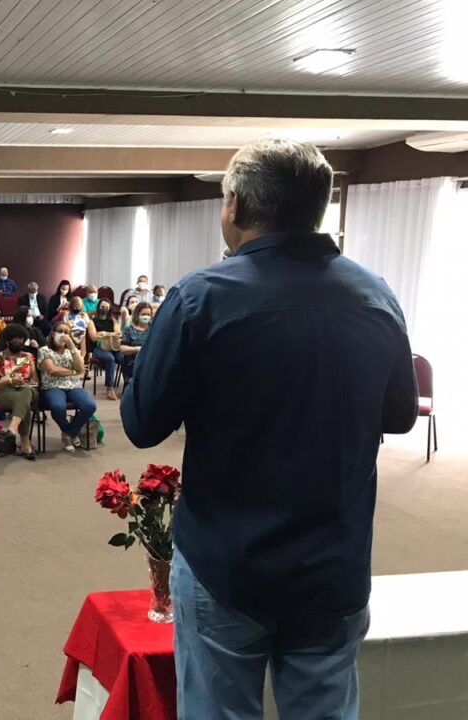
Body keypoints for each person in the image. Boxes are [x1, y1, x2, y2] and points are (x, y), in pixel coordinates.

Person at [121, 139, 419, 719]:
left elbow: (141, 424)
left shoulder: (199, 298)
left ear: (234, 204)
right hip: (334, 564)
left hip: (227, 564)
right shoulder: (375, 294)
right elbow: (400, 416)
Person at [38, 322, 95, 452]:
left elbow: (81, 367)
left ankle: (69, 434)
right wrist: (73, 372)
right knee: (58, 407)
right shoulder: (44, 350)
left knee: (89, 405)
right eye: (60, 331)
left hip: (73, 385)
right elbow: (52, 370)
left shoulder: (72, 351)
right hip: (52, 386)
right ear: (53, 334)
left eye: (66, 332)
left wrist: (72, 346)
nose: (63, 335)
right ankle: (69, 432)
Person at [0, 324, 38, 460]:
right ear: (7, 340)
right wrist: (10, 380)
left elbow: (35, 380)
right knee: (24, 404)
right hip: (5, 391)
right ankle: (25, 444)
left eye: (21, 338)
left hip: (28, 388)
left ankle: (12, 429)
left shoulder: (28, 356)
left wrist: (27, 382)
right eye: (14, 338)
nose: (18, 341)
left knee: (26, 392)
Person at [88, 299, 123, 401]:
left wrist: (104, 333)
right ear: (98, 307)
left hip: (113, 347)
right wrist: (110, 334)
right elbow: (93, 337)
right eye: (102, 307)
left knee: (124, 357)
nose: (104, 309)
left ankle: (127, 384)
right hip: (99, 348)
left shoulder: (113, 320)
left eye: (107, 307)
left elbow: (118, 334)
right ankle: (110, 388)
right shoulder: (92, 322)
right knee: (110, 359)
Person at [119, 301, 153, 382]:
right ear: (137, 314)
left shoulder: (153, 329)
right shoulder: (129, 329)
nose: (146, 316)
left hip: (150, 363)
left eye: (148, 314)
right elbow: (122, 349)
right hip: (132, 363)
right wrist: (137, 349)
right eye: (143, 314)